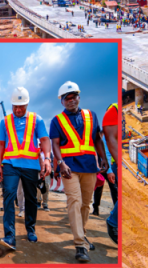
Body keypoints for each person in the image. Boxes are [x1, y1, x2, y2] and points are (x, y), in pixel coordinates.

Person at [50, 82, 109, 262]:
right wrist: (60, 163)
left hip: (90, 167)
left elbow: (97, 139)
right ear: (61, 101)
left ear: (79, 97)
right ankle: (79, 245)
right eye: (66, 98)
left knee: (86, 204)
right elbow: (55, 144)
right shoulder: (56, 121)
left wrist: (104, 158)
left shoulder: (91, 116)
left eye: (73, 97)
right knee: (74, 202)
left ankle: (81, 235)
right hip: (70, 168)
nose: (70, 100)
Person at [0, 87, 52, 251]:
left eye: (21, 106)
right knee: (8, 196)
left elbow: (45, 140)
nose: (18, 110)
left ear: (27, 104)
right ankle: (9, 235)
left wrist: (47, 159)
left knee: (31, 198)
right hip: (10, 164)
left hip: (31, 165)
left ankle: (31, 228)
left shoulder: (37, 120)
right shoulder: (4, 121)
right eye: (15, 106)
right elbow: (0, 144)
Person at [101, 103, 120, 244]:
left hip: (116, 165)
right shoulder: (108, 133)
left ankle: (116, 219)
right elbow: (106, 153)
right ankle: (114, 220)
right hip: (114, 166)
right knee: (116, 194)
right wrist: (108, 171)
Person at [92, 136, 117, 217]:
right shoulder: (105, 138)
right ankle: (96, 208)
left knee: (114, 188)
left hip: (109, 166)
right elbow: (106, 154)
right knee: (100, 187)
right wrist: (109, 170)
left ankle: (116, 210)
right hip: (103, 167)